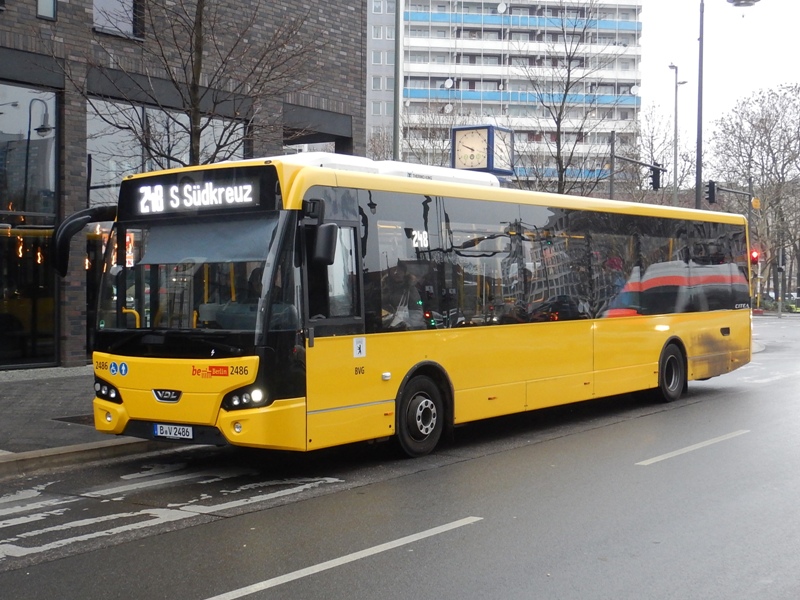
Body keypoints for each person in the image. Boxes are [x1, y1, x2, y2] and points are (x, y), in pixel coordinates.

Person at [381, 261, 424, 330]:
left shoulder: (410, 289)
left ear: (404, 272)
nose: (396, 272)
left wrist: (409, 327)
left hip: (405, 329)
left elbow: (417, 310)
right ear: (389, 272)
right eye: (393, 269)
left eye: (400, 270)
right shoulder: (383, 288)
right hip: (384, 328)